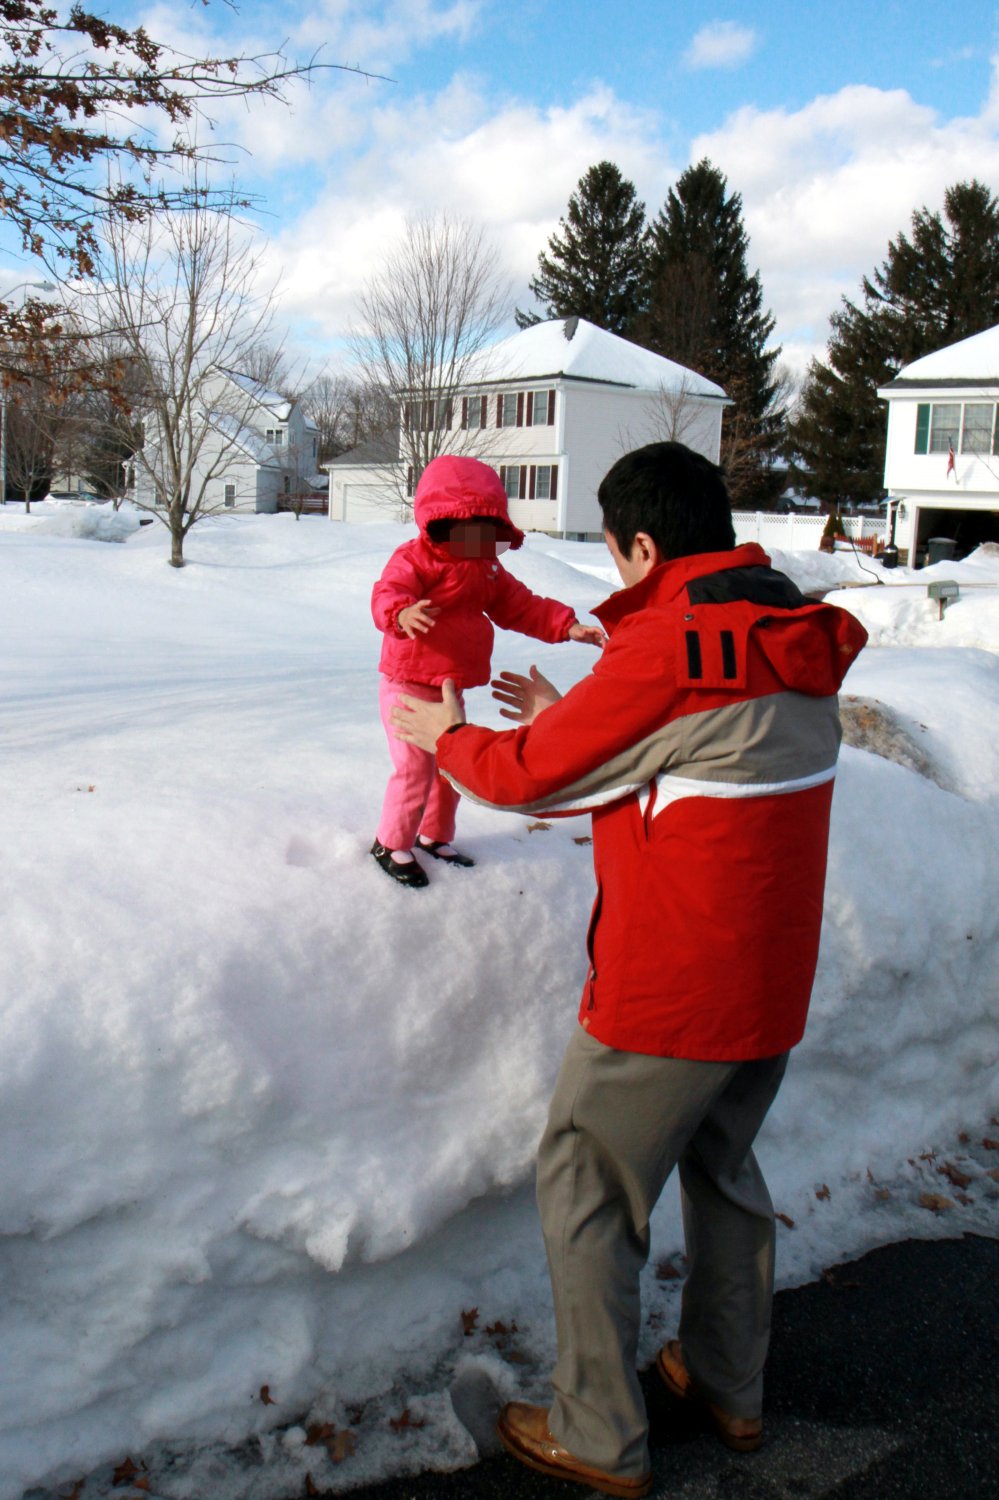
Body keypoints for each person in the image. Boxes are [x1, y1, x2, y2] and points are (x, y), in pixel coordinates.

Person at [390, 442, 868, 1497]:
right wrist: (574, 711)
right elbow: (688, 760)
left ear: (643, 546)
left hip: (670, 991)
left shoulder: (669, 649)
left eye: (612, 556)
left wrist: (450, 731)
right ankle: (725, 1385)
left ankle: (597, 1432)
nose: (613, 578)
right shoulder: (785, 633)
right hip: (770, 982)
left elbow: (535, 780)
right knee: (723, 1166)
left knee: (585, 1181)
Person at [370, 453, 605, 887]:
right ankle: (390, 841)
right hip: (406, 684)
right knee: (415, 768)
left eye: (483, 529)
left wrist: (566, 625)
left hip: (448, 687)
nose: (474, 540)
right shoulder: (415, 559)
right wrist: (400, 614)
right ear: (437, 521)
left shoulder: (487, 569)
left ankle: (433, 835)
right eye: (463, 528)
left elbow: (521, 606)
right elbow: (388, 591)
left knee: (449, 763)